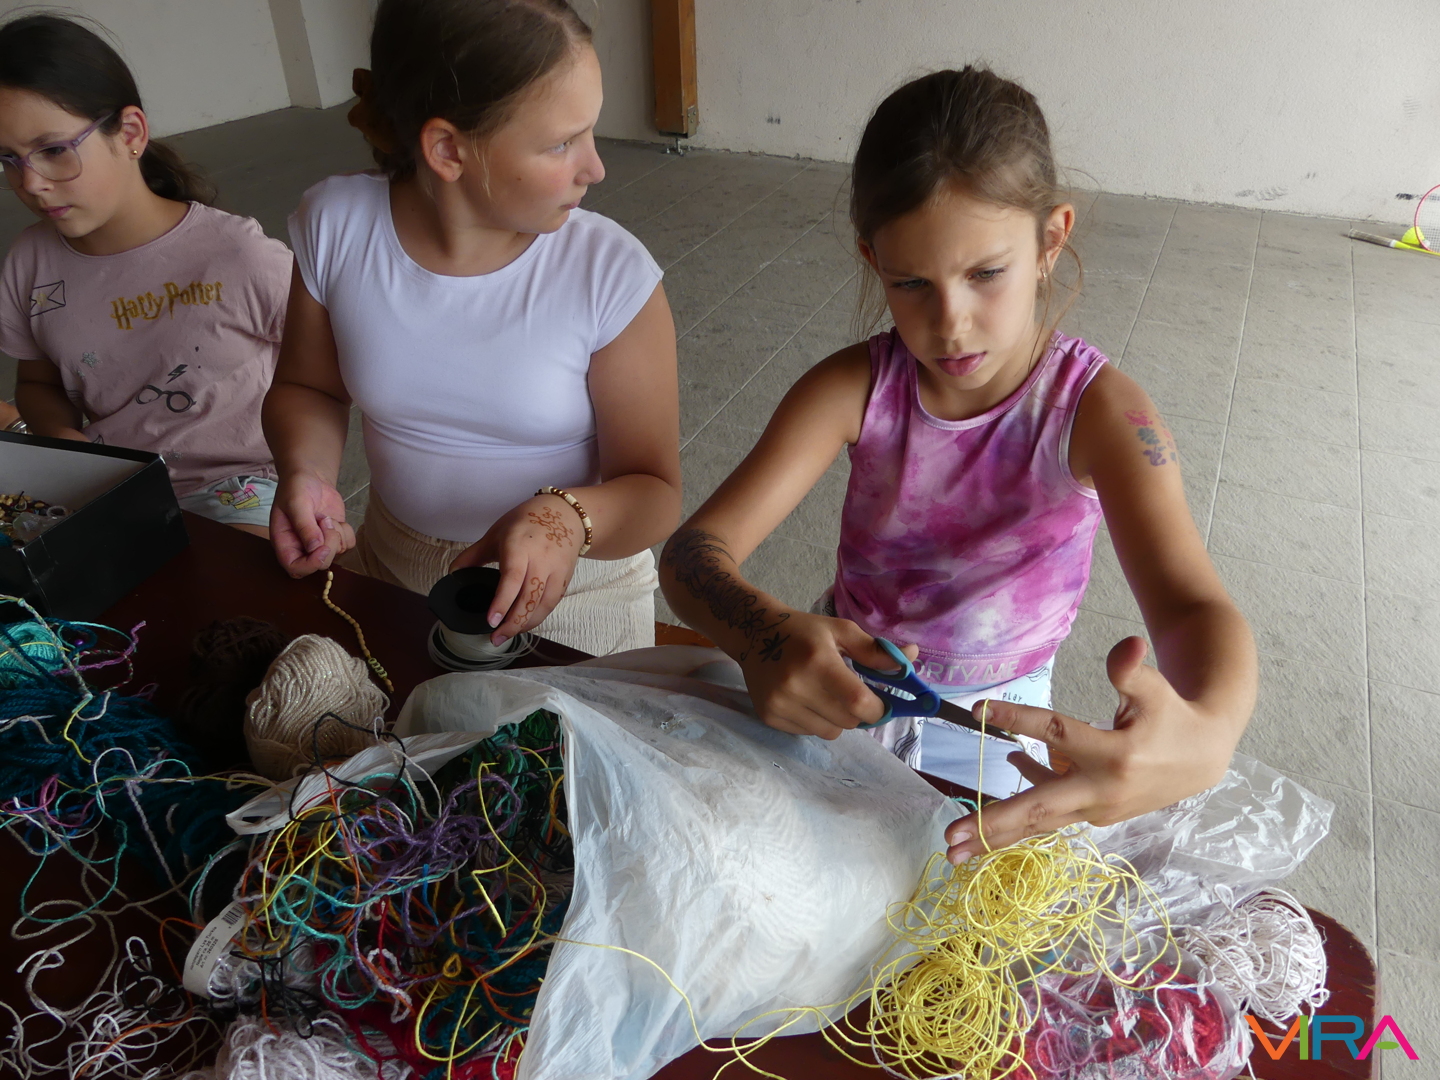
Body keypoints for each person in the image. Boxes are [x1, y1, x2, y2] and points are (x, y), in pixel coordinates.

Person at [659, 67, 1257, 864]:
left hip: (996, 729)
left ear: (1050, 240)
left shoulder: (1099, 413)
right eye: (911, 283)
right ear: (872, 258)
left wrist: (1211, 729)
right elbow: (693, 555)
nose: (950, 323)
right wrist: (761, 633)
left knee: (962, 908)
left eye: (985, 274)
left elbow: (1191, 605)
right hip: (842, 691)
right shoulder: (853, 389)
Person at [264, 0, 680, 657]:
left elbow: (654, 492)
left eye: (591, 133)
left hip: (575, 589)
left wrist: (568, 520)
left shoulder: (608, 273)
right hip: (395, 568)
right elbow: (309, 388)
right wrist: (306, 471)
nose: (595, 168)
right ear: (448, 150)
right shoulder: (337, 227)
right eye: (562, 143)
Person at [0, 14, 291, 536]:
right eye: (8, 159)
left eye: (54, 150)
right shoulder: (30, 261)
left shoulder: (239, 255)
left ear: (130, 132)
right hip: (112, 486)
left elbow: (325, 377)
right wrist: (63, 441)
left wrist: (308, 477)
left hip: (242, 485)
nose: (31, 183)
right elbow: (37, 381)